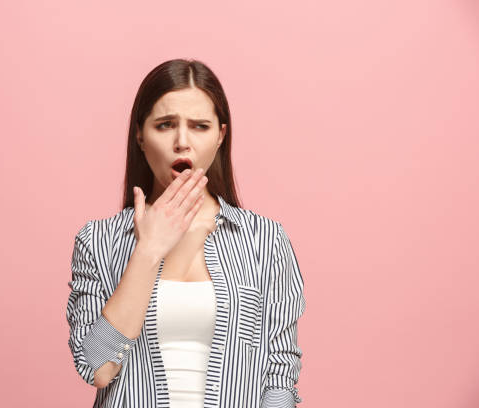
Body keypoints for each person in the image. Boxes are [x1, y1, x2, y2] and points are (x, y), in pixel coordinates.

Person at [65, 58, 306, 407]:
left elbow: (280, 376)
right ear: (140, 135)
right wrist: (148, 250)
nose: (182, 142)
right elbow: (97, 367)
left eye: (199, 126)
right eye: (164, 125)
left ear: (220, 136)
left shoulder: (264, 240)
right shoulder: (98, 241)